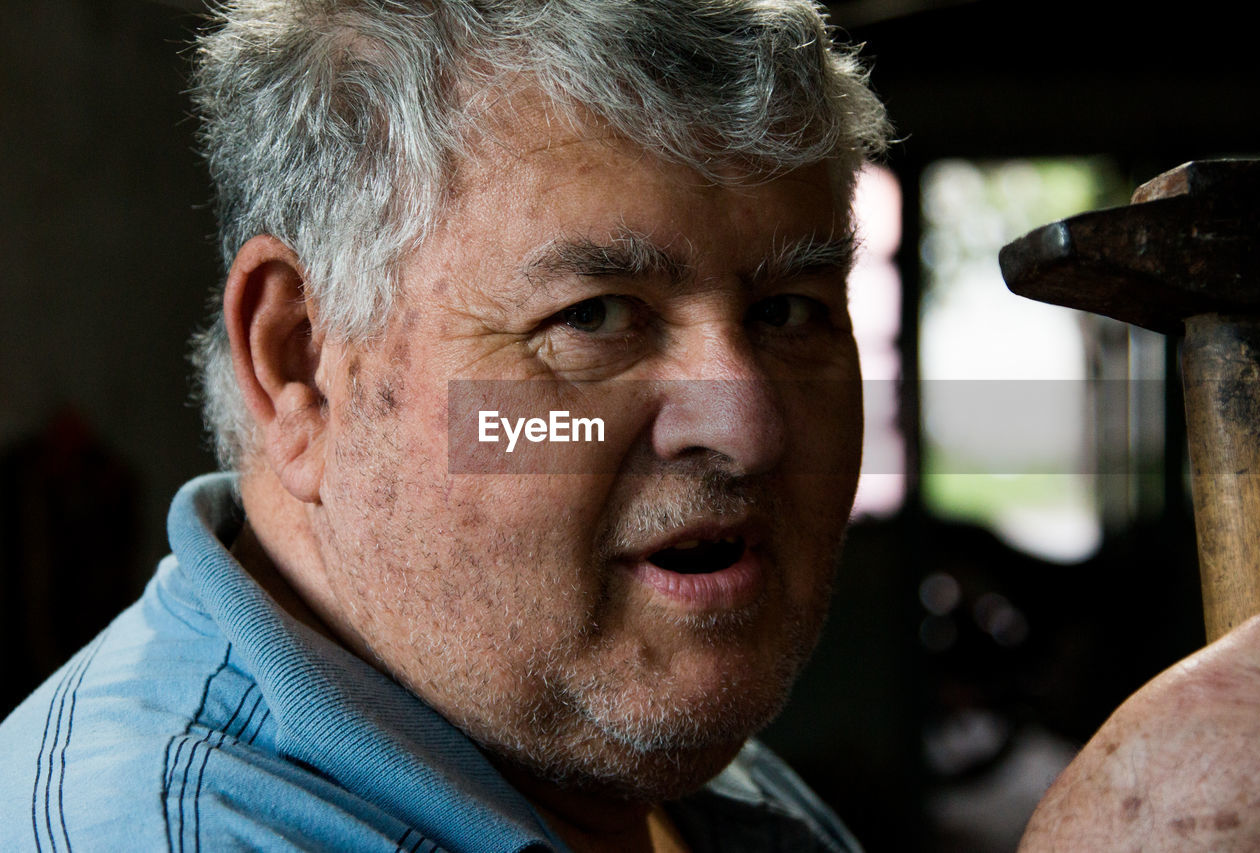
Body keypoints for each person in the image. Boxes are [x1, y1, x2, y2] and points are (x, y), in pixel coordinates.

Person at [0, 1, 887, 850]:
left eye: (789, 312)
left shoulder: (658, 776)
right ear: (301, 366)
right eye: (595, 317)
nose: (748, 427)